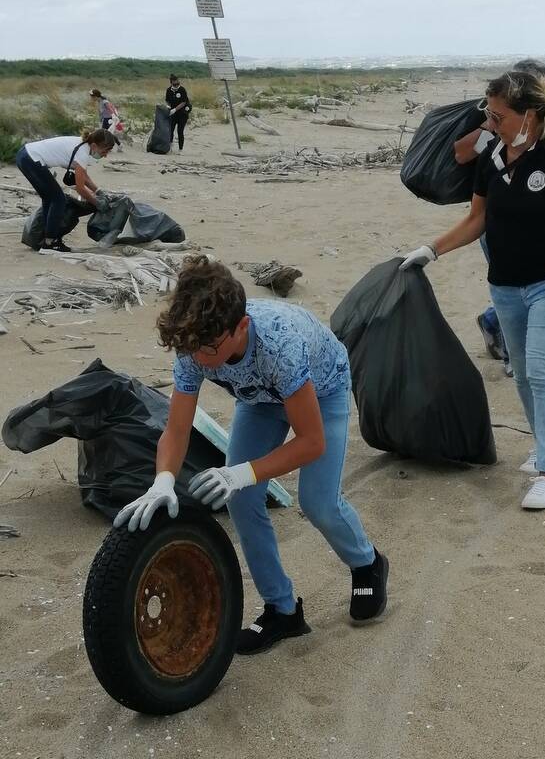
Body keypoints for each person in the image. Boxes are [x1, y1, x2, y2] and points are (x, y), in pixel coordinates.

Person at [114, 256, 389, 654]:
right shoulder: (195, 345)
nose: (201, 359)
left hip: (320, 390)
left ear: (240, 327)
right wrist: (163, 481)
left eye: (210, 348)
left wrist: (241, 472)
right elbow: (176, 430)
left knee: (318, 502)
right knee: (241, 500)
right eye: (194, 349)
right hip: (259, 399)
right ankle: (283, 611)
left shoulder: (279, 344)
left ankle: (367, 562)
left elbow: (311, 442)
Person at [400, 71, 545, 511]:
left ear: (530, 115)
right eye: (489, 114)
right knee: (520, 372)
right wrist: (431, 250)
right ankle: (543, 443)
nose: (490, 123)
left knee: (542, 370)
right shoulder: (492, 157)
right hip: (505, 286)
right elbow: (476, 221)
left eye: (498, 116)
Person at [456, 60, 545, 375]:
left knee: (531, 284)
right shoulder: (494, 116)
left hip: (538, 223)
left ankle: (493, 322)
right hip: (496, 219)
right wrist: (490, 128)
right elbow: (461, 153)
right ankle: (514, 357)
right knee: (516, 284)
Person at [15, 129, 117, 252]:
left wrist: (99, 191)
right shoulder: (83, 153)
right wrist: (97, 203)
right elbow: (80, 188)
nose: (105, 155)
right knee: (59, 200)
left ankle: (43, 237)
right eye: (105, 150)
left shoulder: (83, 145)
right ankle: (50, 242)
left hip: (25, 155)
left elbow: (83, 175)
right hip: (31, 159)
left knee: (50, 199)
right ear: (94, 145)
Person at [165, 74, 192, 151]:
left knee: (180, 131)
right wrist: (169, 107)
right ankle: (169, 146)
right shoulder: (169, 90)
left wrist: (175, 109)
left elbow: (183, 102)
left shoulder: (182, 90)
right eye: (175, 84)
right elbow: (167, 100)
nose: (176, 85)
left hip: (182, 114)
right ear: (171, 83)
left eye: (177, 83)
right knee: (170, 130)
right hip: (173, 114)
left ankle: (180, 149)